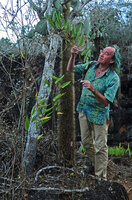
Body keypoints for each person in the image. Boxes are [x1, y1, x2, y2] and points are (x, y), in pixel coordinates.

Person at [67, 45, 121, 180]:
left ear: (112, 60)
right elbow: (70, 69)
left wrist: (92, 89)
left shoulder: (113, 78)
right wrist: (73, 55)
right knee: (86, 143)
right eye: (102, 51)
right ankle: (99, 165)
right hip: (84, 110)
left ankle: (101, 178)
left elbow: (105, 102)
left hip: (99, 115)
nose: (102, 54)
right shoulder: (91, 65)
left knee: (100, 147)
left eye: (107, 53)